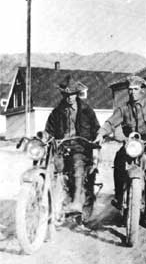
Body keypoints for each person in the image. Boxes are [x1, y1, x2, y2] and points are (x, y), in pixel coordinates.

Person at [95, 75, 146, 211]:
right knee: (119, 159)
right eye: (130, 89)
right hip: (132, 141)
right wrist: (101, 132)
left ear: (142, 91)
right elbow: (111, 122)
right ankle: (119, 196)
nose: (132, 92)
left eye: (135, 89)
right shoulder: (123, 109)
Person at [45, 75, 100, 213]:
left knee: (77, 164)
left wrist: (97, 140)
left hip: (80, 148)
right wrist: (46, 137)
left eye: (72, 94)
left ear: (77, 94)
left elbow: (96, 130)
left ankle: (76, 202)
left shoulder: (87, 111)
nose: (69, 97)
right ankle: (50, 200)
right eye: (66, 95)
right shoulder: (57, 111)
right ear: (63, 95)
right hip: (62, 146)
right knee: (54, 166)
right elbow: (49, 130)